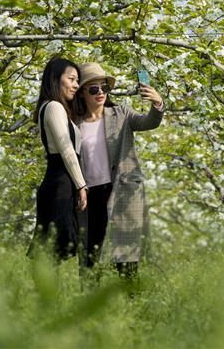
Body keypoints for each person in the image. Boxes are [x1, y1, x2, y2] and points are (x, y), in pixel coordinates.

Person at [74, 62, 164, 281]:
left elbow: (148, 122)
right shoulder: (73, 122)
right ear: (82, 93)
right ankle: (89, 306)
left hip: (122, 191)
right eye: (94, 89)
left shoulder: (120, 113)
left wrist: (158, 104)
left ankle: (130, 305)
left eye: (104, 88)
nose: (100, 93)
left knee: (126, 259)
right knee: (90, 257)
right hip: (89, 195)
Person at [28, 57, 88, 260]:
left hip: (62, 185)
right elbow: (66, 149)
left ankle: (45, 291)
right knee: (54, 250)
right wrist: (82, 186)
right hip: (58, 186)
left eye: (78, 81)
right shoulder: (53, 106)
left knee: (54, 250)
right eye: (71, 79)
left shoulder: (60, 109)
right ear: (55, 78)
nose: (76, 85)